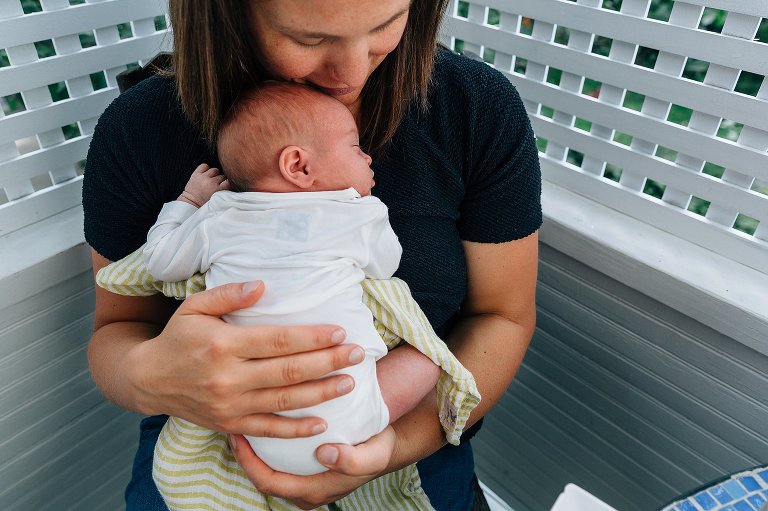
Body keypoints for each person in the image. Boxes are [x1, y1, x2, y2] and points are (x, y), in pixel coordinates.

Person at [82, 0, 541, 509]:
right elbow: (115, 332)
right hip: (212, 434)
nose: (351, 72)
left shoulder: (475, 109)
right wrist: (152, 375)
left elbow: (504, 315)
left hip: (418, 437)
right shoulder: (140, 130)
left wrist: (393, 447)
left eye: (386, 23)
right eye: (308, 39)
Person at [141, 81, 441, 476]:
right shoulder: (357, 215)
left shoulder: (219, 218)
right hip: (350, 413)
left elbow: (158, 261)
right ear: (298, 166)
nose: (368, 158)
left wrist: (190, 201)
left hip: (259, 429)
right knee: (429, 360)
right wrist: (371, 210)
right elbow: (386, 266)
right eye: (355, 147)